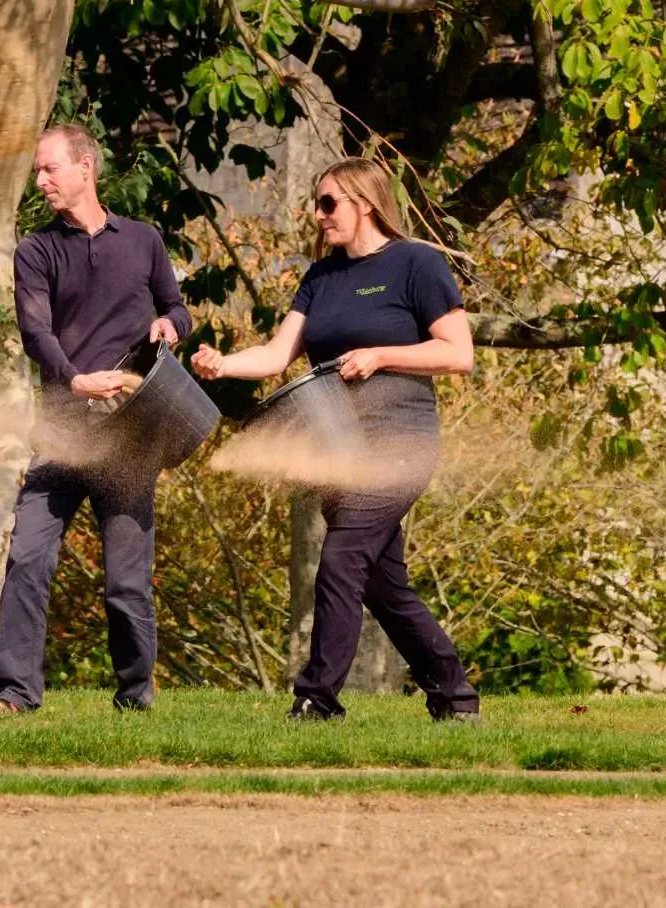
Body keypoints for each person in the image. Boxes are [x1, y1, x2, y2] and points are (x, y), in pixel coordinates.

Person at [191, 158, 482, 723]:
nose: (319, 214)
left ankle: (317, 698)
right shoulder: (321, 278)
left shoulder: (416, 263)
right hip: (340, 450)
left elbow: (458, 353)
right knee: (380, 582)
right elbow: (278, 355)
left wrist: (382, 355)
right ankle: (454, 694)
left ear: (365, 204)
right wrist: (223, 363)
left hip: (400, 440)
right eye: (316, 203)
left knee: (343, 558)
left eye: (330, 203)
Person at [0, 124, 194, 715]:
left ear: (85, 167)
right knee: (27, 560)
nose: (41, 180)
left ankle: (134, 698)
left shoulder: (144, 241)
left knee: (126, 584)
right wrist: (74, 379)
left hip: (129, 434)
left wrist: (170, 326)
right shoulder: (36, 250)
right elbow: (35, 331)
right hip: (59, 430)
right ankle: (16, 695)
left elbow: (176, 306)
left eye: (49, 169)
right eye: (37, 172)